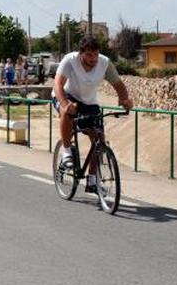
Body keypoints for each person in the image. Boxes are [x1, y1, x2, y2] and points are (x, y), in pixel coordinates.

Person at [53, 36, 133, 193]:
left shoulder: (104, 63)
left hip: (89, 102)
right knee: (67, 111)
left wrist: (124, 100)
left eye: (96, 54)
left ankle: (92, 181)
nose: (93, 59)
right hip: (66, 95)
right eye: (89, 55)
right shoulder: (70, 60)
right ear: (81, 53)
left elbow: (119, 85)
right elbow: (57, 85)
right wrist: (65, 104)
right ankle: (67, 151)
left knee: (99, 139)